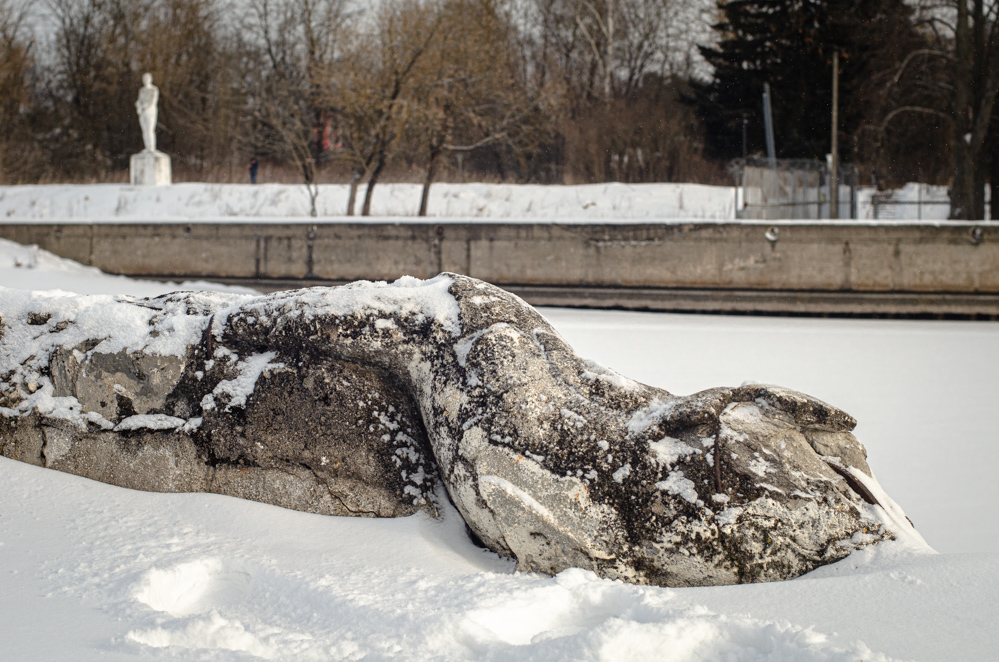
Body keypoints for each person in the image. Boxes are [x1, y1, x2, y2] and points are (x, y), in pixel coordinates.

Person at [135, 73, 159, 152]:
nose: (145, 80)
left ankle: (151, 147)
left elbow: (152, 101)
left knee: (149, 129)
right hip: (142, 112)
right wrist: (138, 106)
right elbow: (140, 100)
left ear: (150, 79)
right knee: (144, 130)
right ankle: (147, 147)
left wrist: (143, 107)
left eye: (147, 79)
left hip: (150, 111)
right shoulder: (142, 90)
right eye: (144, 79)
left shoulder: (154, 89)